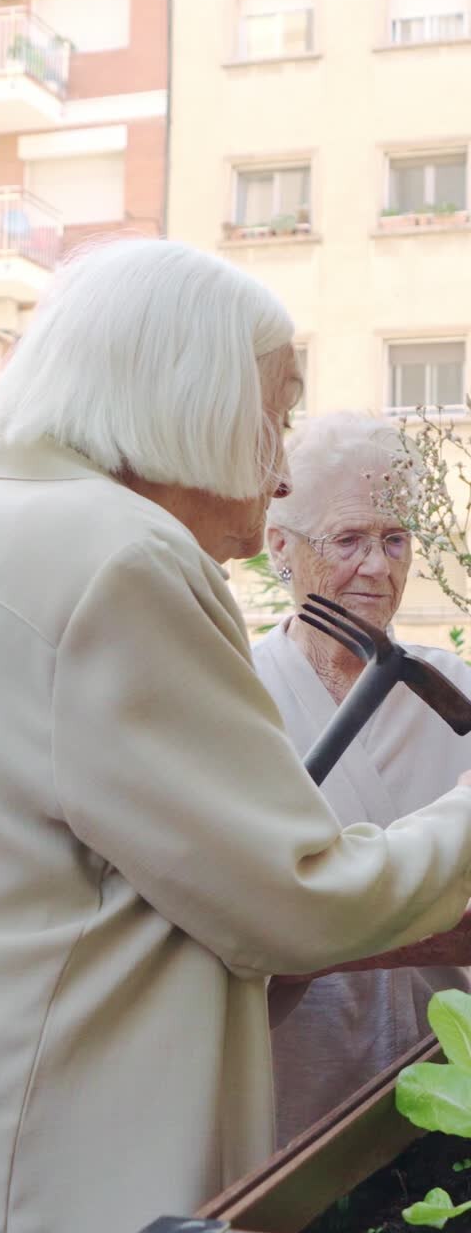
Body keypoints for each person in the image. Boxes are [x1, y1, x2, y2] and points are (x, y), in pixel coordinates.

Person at [0, 242, 471, 1233]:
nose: (276, 469)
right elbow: (301, 894)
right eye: (274, 411)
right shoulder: (118, 559)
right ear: (185, 398)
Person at [257, 411, 471, 1147]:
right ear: (280, 548)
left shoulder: (452, 689)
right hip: (299, 1097)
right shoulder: (236, 698)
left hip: (448, 1083)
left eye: (395, 539)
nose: (377, 567)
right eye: (348, 540)